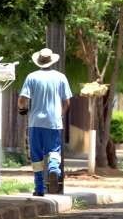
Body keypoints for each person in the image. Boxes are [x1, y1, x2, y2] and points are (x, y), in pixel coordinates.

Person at [18, 48, 72, 196]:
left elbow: (22, 99)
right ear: (52, 61)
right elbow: (67, 102)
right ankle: (54, 169)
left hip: (35, 122)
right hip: (53, 122)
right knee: (54, 150)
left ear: (39, 61)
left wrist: (22, 109)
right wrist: (59, 116)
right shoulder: (61, 77)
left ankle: (39, 188)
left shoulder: (31, 77)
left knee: (36, 156)